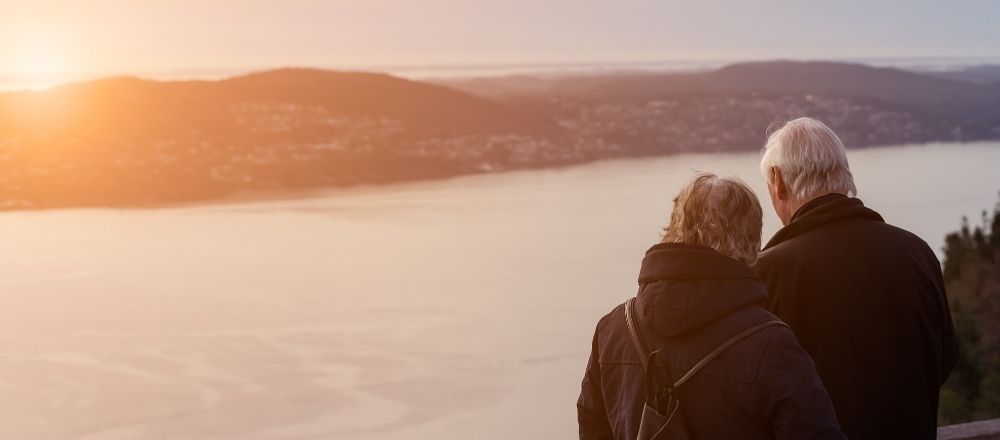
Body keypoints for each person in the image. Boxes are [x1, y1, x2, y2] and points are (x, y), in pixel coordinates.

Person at [577, 173, 845, 440]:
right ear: (752, 242)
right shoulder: (771, 345)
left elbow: (593, 430)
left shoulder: (612, 329)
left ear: (674, 228)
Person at [755, 117, 959, 440]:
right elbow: (944, 360)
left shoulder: (767, 274)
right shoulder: (917, 254)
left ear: (778, 182)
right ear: (844, 175)